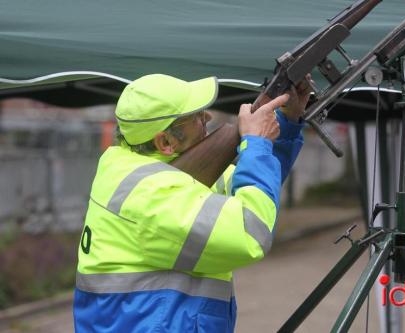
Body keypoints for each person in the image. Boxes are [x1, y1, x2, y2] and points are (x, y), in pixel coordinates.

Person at [73, 73, 310, 332]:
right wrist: (256, 144)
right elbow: (251, 231)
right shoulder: (152, 195)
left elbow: (253, 186)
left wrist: (285, 123)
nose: (207, 118)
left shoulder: (132, 166)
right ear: (165, 142)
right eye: (195, 116)